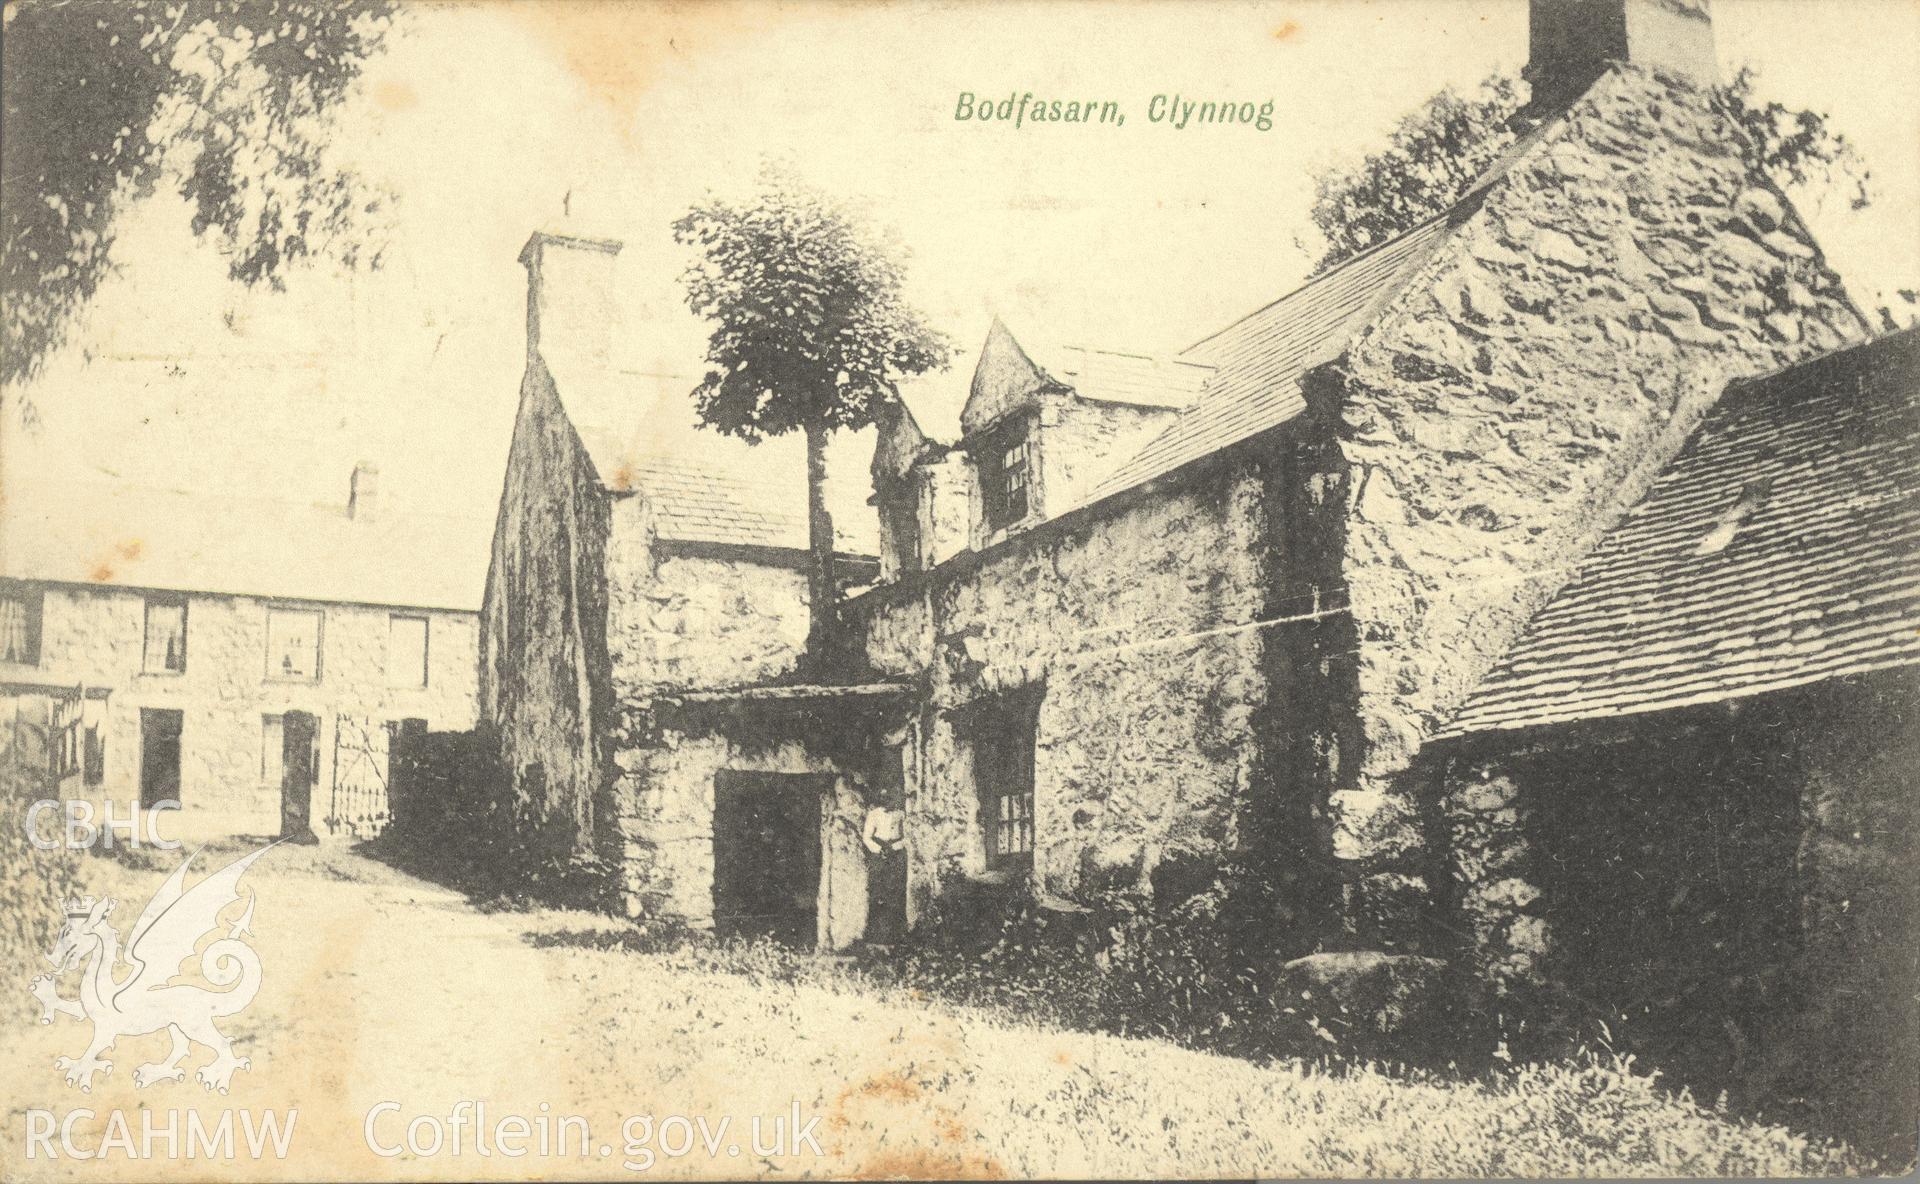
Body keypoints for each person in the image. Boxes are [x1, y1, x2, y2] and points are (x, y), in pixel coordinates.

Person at [861, 788, 907, 946]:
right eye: (884, 797)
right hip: (878, 854)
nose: (887, 801)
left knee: (894, 892)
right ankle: (875, 934)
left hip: (895, 854)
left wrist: (894, 848)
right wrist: (879, 850)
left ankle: (894, 935)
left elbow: (906, 836)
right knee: (877, 891)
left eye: (890, 798)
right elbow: (866, 837)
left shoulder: (900, 814)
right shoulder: (874, 814)